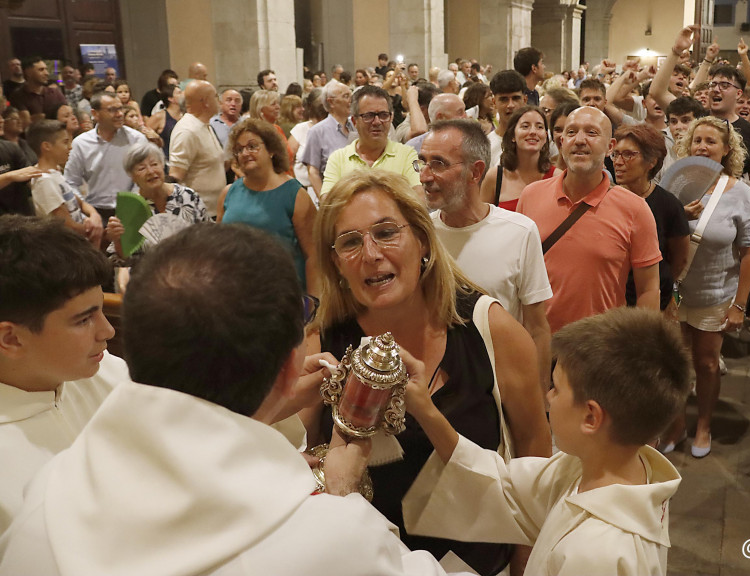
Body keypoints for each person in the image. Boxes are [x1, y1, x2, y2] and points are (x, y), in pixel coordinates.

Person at [0, 222, 452, 576]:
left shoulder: (46, 493)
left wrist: (267, 425)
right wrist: (342, 494)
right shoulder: (335, 537)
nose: (104, 330)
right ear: (287, 369)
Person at [302, 169, 551, 575]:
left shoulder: (492, 330)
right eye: (350, 242)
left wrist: (528, 563)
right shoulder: (322, 343)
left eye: (386, 232)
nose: (371, 253)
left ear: (422, 239)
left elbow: (534, 460)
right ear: (336, 264)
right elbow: (301, 460)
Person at [401, 307, 690, 576]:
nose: (548, 397)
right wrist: (427, 412)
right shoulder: (604, 467)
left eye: (556, 387)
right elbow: (502, 486)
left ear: (591, 417)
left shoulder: (596, 554)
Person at [0, 216, 125, 533]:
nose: (107, 331)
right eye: (84, 320)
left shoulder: (111, 373)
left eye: (102, 310)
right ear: (11, 339)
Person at [419, 118, 553, 395]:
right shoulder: (420, 235)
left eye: (439, 164)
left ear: (475, 171)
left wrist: (539, 397)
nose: (424, 176)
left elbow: (537, 328)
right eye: (423, 163)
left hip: (502, 390)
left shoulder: (519, 232)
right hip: (435, 392)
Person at [518, 106, 662, 334]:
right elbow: (519, 272)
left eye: (592, 133)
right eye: (571, 132)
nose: (579, 140)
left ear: (610, 147)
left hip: (600, 344)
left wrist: (642, 343)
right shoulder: (531, 196)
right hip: (538, 339)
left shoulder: (635, 209)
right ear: (561, 142)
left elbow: (649, 289)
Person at [670, 116, 750, 457]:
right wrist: (678, 215)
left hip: (715, 292)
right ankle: (676, 423)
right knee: (674, 362)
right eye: (697, 140)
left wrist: (739, 305)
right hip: (675, 291)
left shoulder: (739, 192)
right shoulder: (676, 184)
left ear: (726, 150)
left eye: (711, 141)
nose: (702, 147)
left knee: (707, 363)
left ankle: (704, 425)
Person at [217, 119, 317, 292]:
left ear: (271, 150)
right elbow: (217, 248)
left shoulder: (295, 195)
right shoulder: (228, 193)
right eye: (239, 149)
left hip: (283, 294)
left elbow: (314, 256)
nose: (245, 153)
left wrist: (315, 302)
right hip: (236, 292)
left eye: (252, 146)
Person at [611, 124, 689, 312]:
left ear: (651, 161)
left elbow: (679, 260)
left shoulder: (668, 205)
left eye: (628, 155)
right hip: (611, 302)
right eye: (615, 154)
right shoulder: (606, 200)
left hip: (652, 302)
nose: (618, 162)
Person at [105, 143, 209, 272]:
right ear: (132, 176)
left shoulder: (188, 196)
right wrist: (117, 240)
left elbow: (207, 237)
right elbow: (124, 259)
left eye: (154, 164)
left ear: (163, 165)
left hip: (190, 272)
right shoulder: (131, 207)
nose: (150, 171)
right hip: (147, 275)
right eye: (141, 168)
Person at [319, 86, 420, 197]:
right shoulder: (338, 159)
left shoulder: (407, 155)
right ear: (354, 121)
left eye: (383, 115)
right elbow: (327, 202)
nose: (377, 122)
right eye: (368, 116)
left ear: (391, 118)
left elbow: (418, 199)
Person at [64, 92, 146, 223]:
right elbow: (70, 182)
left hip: (132, 208)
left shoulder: (136, 139)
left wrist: (131, 204)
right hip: (95, 211)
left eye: (120, 108)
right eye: (112, 110)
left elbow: (143, 177)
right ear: (95, 114)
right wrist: (87, 211)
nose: (120, 114)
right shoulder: (81, 143)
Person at [28, 120, 102, 246]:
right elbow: (67, 225)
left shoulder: (55, 171)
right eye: (65, 142)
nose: (70, 147)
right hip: (67, 248)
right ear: (47, 146)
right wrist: (94, 231)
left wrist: (94, 215)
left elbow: (80, 202)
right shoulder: (44, 181)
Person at [168, 81, 228, 215]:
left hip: (214, 211)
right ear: (206, 102)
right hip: (198, 215)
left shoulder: (204, 125)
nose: (219, 101)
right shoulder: (187, 130)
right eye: (215, 96)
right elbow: (176, 176)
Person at [480, 105, 556, 212]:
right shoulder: (494, 177)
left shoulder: (557, 177)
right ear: (512, 135)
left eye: (539, 127)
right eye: (525, 126)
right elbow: (482, 219)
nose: (533, 132)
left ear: (545, 136)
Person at [302, 81, 356, 195]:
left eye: (351, 96)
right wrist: (324, 200)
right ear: (331, 102)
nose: (351, 100)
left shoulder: (356, 127)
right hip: (334, 196)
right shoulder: (317, 132)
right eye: (346, 96)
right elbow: (313, 172)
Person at [487, 70, 527, 167]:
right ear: (494, 102)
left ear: (525, 100)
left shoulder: (537, 139)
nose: (510, 105)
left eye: (516, 98)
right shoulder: (487, 145)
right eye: (504, 99)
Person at [8, 57, 65, 121]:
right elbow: (25, 122)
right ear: (28, 72)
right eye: (41, 70)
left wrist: (39, 117)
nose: (47, 73)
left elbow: (67, 114)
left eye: (46, 69)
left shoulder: (55, 92)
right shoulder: (18, 96)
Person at [146, 82, 182, 156]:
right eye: (179, 93)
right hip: (167, 159)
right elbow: (144, 134)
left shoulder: (187, 115)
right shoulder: (159, 117)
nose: (183, 95)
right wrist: (157, 139)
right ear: (171, 99)